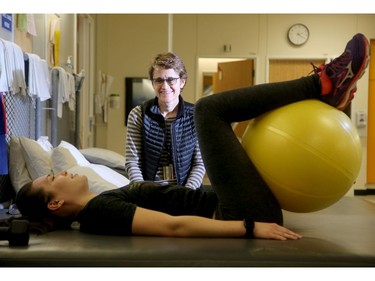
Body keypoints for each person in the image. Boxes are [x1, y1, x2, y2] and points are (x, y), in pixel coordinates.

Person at [15, 33, 369, 240]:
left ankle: (323, 94)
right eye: (52, 177)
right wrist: (250, 229)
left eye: (53, 170)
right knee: (210, 111)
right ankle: (321, 85)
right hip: (235, 212)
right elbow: (173, 226)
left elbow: (188, 176)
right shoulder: (99, 211)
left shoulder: (98, 202)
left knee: (212, 115)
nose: (61, 172)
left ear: (181, 81)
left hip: (225, 201)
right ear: (55, 204)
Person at [125, 52, 205, 189]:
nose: (165, 86)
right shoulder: (137, 115)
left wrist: (186, 193)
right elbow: (132, 162)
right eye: (159, 80)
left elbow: (200, 163)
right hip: (148, 194)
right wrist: (142, 191)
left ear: (182, 81)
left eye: (171, 80)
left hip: (188, 193)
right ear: (152, 83)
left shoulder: (197, 115)